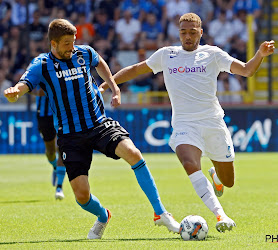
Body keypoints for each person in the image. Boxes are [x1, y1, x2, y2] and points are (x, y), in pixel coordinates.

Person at [3, 18, 179, 239]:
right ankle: (103, 216)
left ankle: (160, 212)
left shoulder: (83, 53)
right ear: (54, 44)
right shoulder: (42, 64)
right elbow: (24, 83)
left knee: (134, 153)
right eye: (67, 43)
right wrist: (15, 92)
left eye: (73, 41)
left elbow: (100, 63)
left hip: (98, 124)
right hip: (70, 135)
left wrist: (114, 88)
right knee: (82, 196)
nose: (72, 47)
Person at [99, 13, 275, 233]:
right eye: (184, 32)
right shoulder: (167, 55)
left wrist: (260, 53)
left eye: (193, 32)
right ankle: (221, 215)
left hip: (213, 123)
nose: (188, 36)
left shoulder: (213, 53)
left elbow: (247, 70)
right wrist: (109, 84)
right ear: (178, 32)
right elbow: (135, 69)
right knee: (189, 163)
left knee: (228, 182)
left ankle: (216, 177)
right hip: (184, 125)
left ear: (201, 32)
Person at [35, 89, 66, 200]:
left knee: (63, 149)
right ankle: (55, 167)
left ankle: (59, 187)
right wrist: (37, 91)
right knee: (51, 152)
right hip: (44, 116)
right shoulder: (36, 71)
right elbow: (28, 88)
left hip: (63, 113)